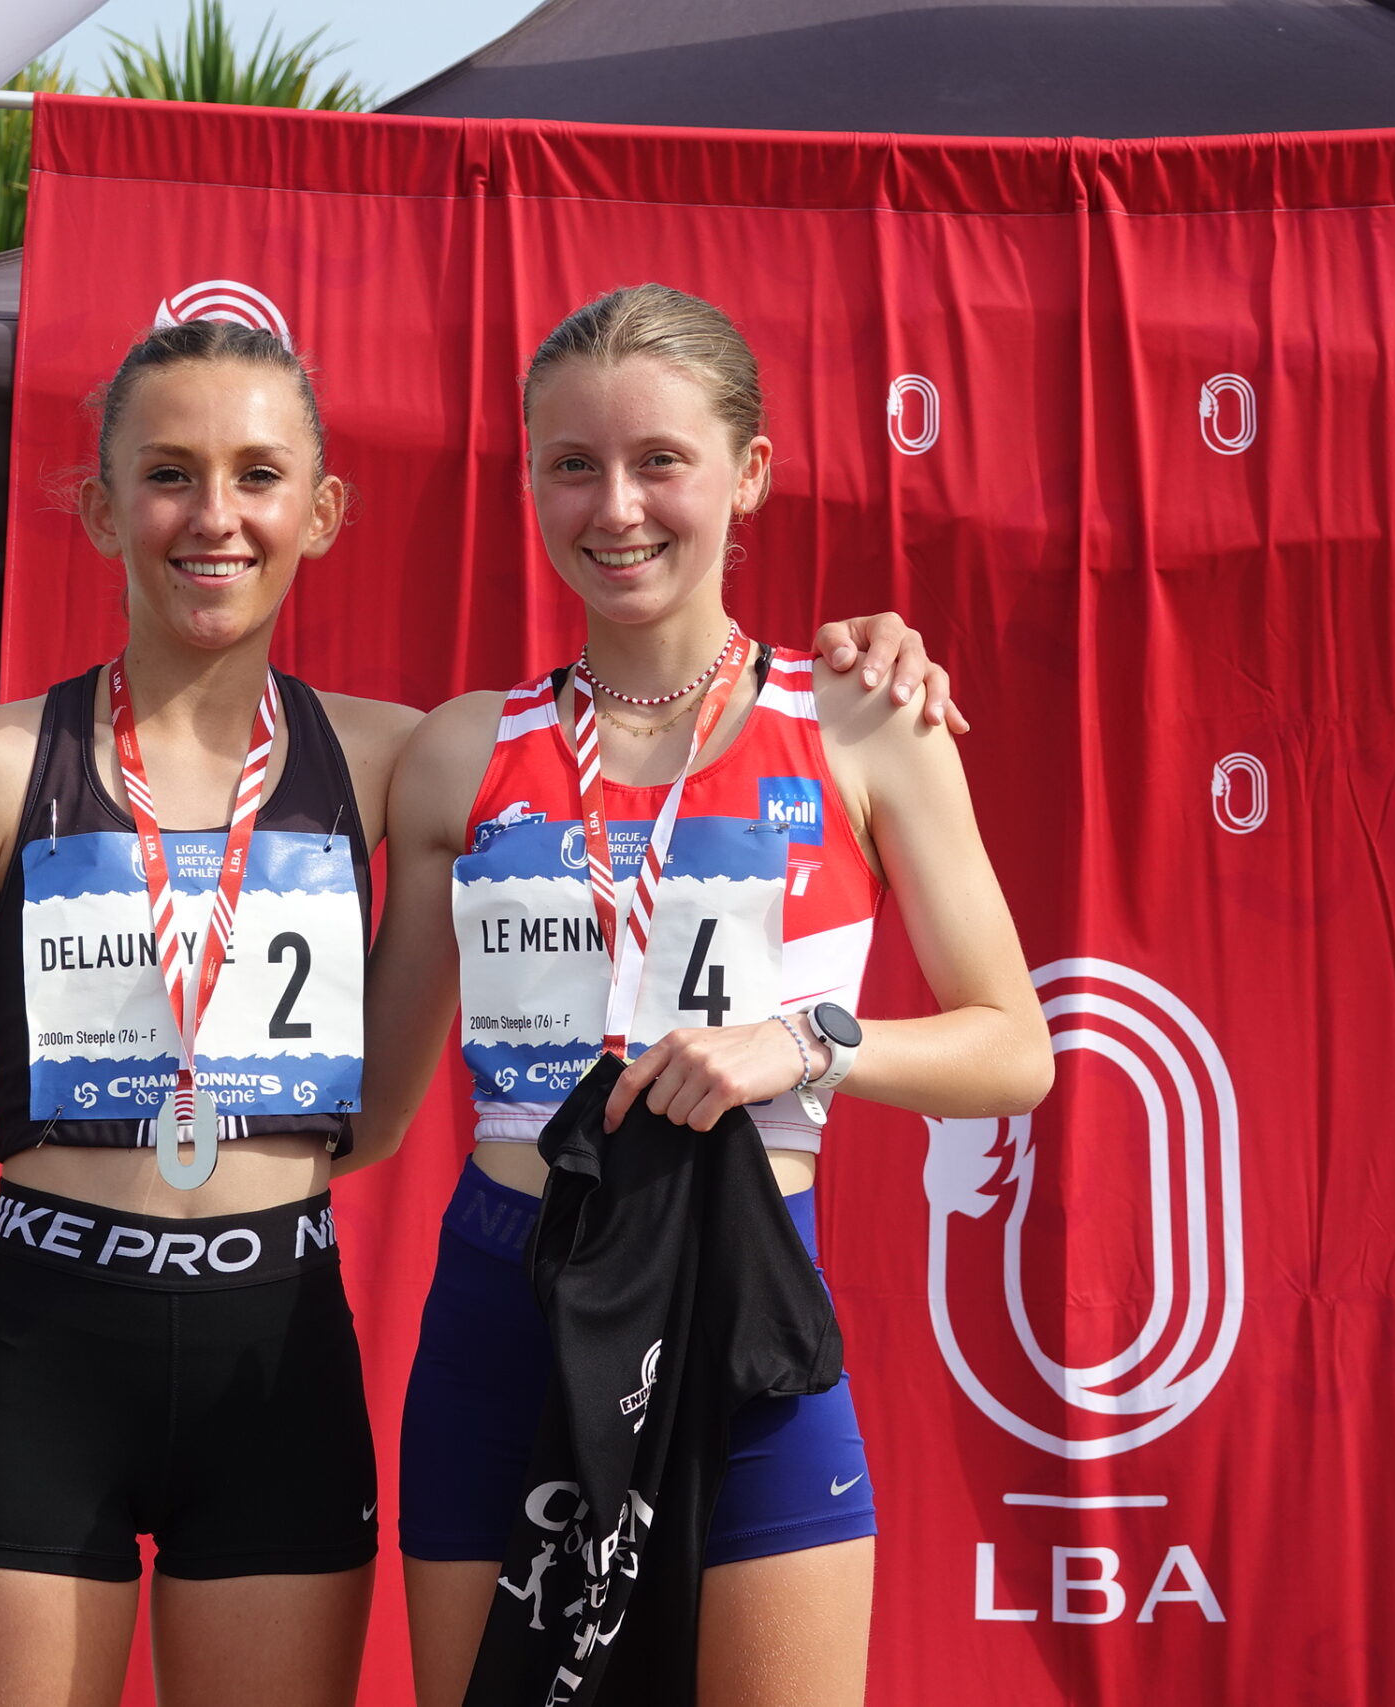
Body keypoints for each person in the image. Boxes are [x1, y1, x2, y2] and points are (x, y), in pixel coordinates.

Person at [0, 313, 965, 1707]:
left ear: (322, 512)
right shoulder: (8, 766)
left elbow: (354, 1120)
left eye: (258, 476)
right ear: (99, 502)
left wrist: (871, 662)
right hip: (61, 1346)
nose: (215, 516)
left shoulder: (402, 753)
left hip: (319, 1350)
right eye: (171, 474)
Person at [354, 284, 1054, 1707]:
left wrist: (797, 1048)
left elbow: (1012, 1049)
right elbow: (359, 1115)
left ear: (751, 474)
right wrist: (76, 1205)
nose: (617, 507)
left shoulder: (863, 719)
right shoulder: (454, 754)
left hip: (741, 1296)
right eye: (574, 465)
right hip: (507, 1303)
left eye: (661, 460)